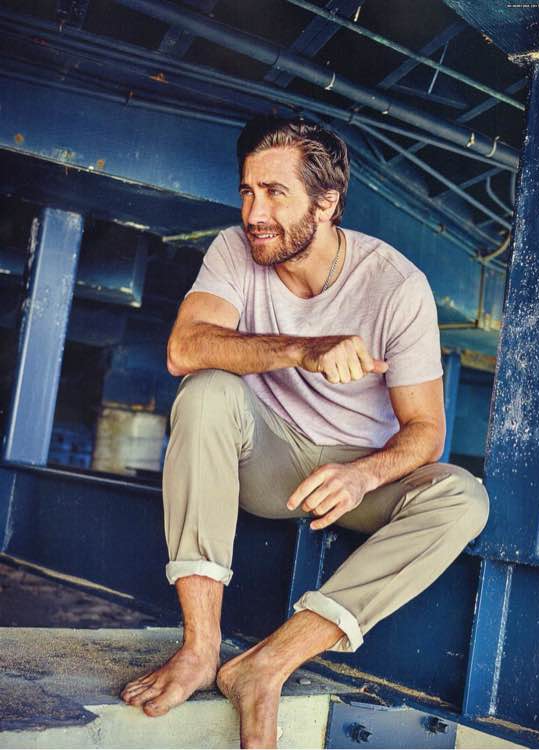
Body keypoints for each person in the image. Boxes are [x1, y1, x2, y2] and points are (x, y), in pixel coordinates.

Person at [120, 116, 489, 748]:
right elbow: (185, 349)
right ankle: (201, 648)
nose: (254, 213)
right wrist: (301, 348)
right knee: (206, 389)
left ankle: (266, 665)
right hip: (264, 460)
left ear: (326, 203)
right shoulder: (233, 249)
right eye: (247, 191)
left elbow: (426, 431)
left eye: (274, 193)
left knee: (462, 497)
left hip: (352, 478)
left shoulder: (396, 285)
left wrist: (364, 473)